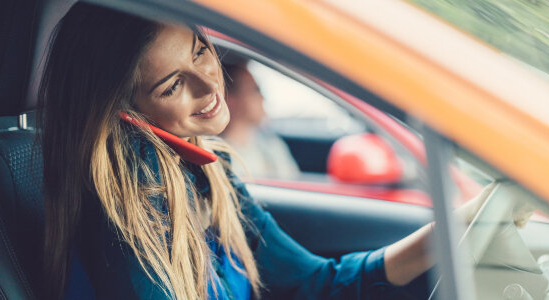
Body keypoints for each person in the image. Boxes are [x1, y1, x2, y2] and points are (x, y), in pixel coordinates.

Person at [38, 3, 493, 299]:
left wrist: (453, 231)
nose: (209, 83)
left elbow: (313, 282)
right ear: (123, 111)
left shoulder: (206, 174)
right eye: (173, 84)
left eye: (199, 52)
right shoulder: (125, 222)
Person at [221, 62, 300, 179]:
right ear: (230, 100)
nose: (263, 98)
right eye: (255, 90)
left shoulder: (272, 144)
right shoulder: (218, 155)